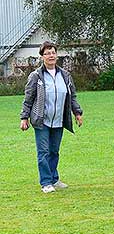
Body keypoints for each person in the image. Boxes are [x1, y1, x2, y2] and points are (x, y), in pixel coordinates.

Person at [20, 41, 83, 193]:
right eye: (47, 53)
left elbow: (72, 96)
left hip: (59, 120)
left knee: (54, 151)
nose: (51, 55)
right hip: (41, 120)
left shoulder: (65, 75)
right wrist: (24, 118)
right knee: (44, 152)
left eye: (53, 52)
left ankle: (54, 178)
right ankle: (46, 182)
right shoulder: (36, 76)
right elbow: (28, 98)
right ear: (42, 57)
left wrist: (77, 113)